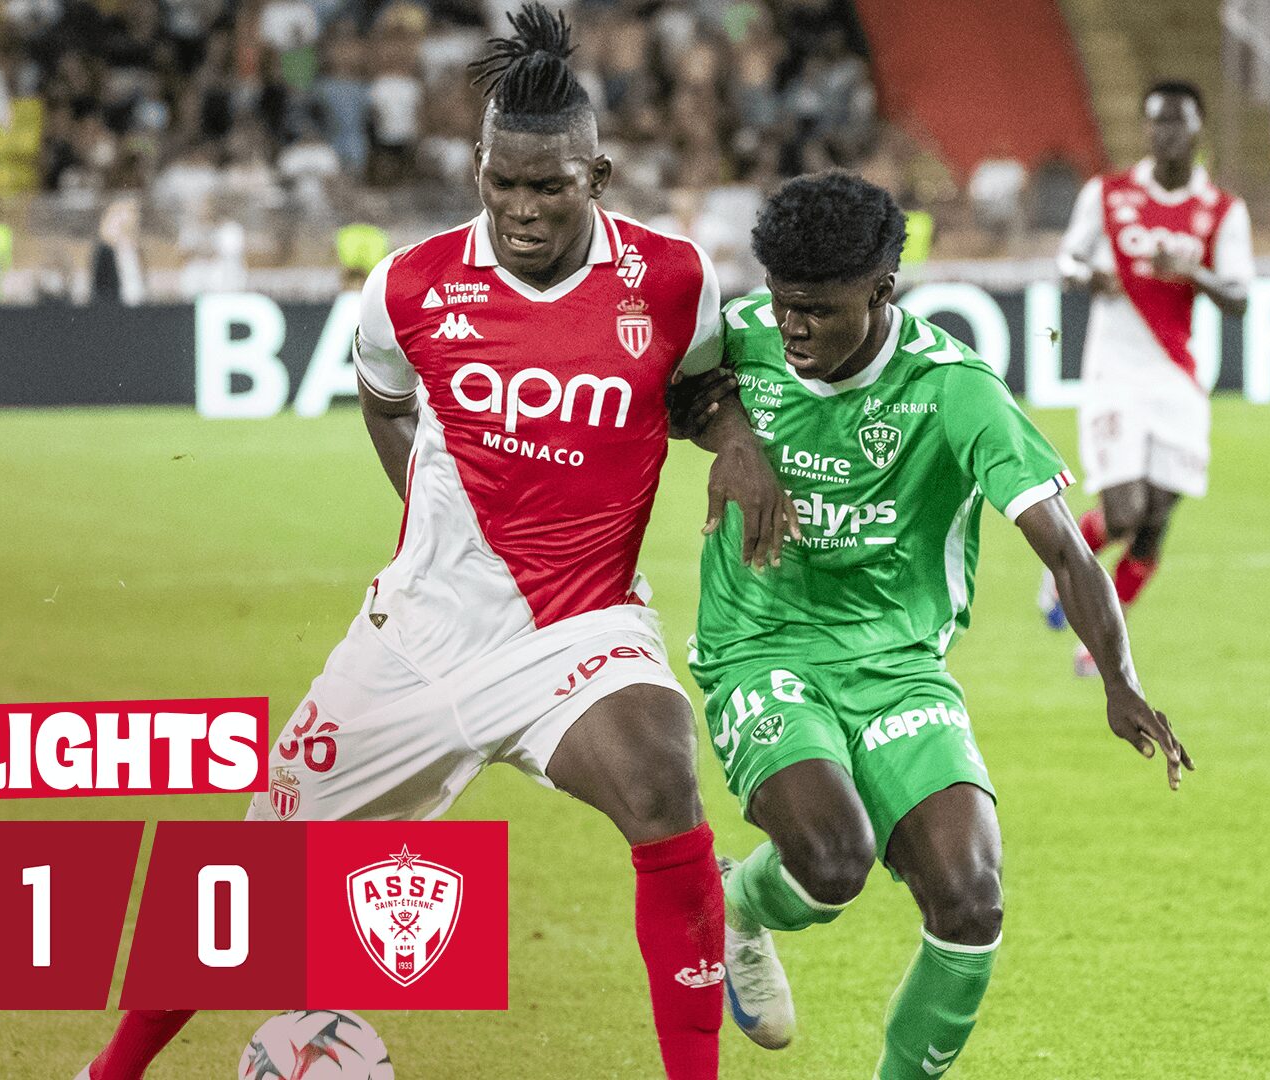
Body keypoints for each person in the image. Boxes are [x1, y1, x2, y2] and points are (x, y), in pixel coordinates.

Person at [77, 7, 790, 1079]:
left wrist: (734, 438)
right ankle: (109, 1072)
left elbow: (696, 390)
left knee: (661, 779)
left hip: (578, 628)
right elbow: (384, 401)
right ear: (477, 169)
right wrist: (434, 524)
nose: (522, 209)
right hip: (416, 634)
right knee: (250, 877)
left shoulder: (675, 279)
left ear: (598, 176)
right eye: (502, 183)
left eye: (550, 187)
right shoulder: (409, 286)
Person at [689, 171, 1191, 1078]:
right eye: (782, 301)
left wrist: (1121, 682)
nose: (791, 326)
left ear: (883, 290)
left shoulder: (955, 389)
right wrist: (734, 437)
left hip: (900, 662)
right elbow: (669, 397)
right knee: (832, 862)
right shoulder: (738, 337)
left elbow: (1066, 551)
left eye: (817, 310)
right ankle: (740, 906)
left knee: (971, 900)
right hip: (760, 643)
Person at [1048, 80, 1252, 677]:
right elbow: (1066, 261)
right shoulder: (1107, 193)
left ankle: (1100, 640)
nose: (1165, 133)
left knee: (1156, 520)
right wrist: (1091, 278)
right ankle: (1061, 563)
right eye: (1156, 121)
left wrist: (1193, 273)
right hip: (1114, 372)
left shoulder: (1222, 209)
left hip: (1178, 379)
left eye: (1176, 121)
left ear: (1198, 129)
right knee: (1124, 513)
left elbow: (1239, 297)